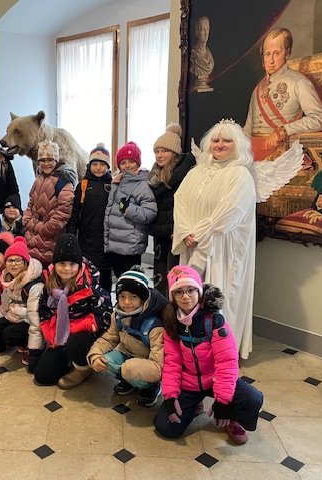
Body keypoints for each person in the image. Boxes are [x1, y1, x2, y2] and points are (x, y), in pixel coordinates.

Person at [172, 120, 256, 359]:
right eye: (215, 140)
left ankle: (221, 353)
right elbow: (180, 201)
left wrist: (198, 234)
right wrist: (185, 231)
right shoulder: (196, 172)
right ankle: (192, 348)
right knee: (189, 295)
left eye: (227, 140)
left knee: (217, 296)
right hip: (192, 243)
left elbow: (229, 212)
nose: (220, 144)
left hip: (221, 248)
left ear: (238, 145)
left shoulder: (240, 175)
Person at [154, 266, 263, 444]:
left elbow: (227, 362)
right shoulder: (171, 321)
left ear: (199, 291)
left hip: (214, 379)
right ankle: (193, 405)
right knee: (166, 427)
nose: (185, 296)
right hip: (189, 382)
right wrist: (170, 395)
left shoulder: (214, 320)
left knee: (252, 399)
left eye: (191, 290)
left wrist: (223, 401)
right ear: (172, 296)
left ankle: (233, 418)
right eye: (179, 292)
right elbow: (172, 363)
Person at [28, 234, 113, 389]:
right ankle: (67, 359)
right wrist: (52, 333)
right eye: (62, 263)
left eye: (72, 264)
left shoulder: (90, 286)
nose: (67, 268)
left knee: (76, 343)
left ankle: (83, 368)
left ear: (79, 265)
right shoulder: (49, 285)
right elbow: (44, 311)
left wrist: (73, 328)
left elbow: (105, 317)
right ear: (55, 264)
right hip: (60, 334)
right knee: (42, 376)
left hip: (85, 334)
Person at [87, 266, 168, 407]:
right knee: (104, 363)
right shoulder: (118, 315)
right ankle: (128, 381)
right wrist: (95, 355)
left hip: (147, 362)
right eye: (122, 296)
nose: (126, 302)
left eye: (133, 297)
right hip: (126, 353)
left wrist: (128, 369)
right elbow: (109, 338)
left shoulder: (154, 325)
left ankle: (151, 387)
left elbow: (159, 366)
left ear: (142, 299)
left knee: (131, 370)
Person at [244, 27, 322, 161]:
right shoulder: (257, 89)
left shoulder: (299, 82)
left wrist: (284, 130)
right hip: (252, 153)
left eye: (276, 53)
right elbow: (248, 130)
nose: (271, 60)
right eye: (267, 54)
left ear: (287, 53)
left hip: (281, 153)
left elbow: (319, 119)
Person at [148, 124, 195, 297]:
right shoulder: (155, 175)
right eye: (157, 151)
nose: (160, 155)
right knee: (160, 275)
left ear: (174, 152)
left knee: (175, 275)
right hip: (160, 231)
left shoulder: (185, 175)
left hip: (176, 232)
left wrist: (180, 229)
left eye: (164, 151)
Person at [0, 236, 44, 366]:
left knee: (10, 334)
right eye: (10, 260)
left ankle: (27, 346)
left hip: (28, 320)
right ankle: (8, 341)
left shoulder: (34, 285)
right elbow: (4, 306)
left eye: (18, 260)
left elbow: (35, 321)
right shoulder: (8, 278)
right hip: (14, 316)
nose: (13, 264)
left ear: (25, 262)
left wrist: (35, 352)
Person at [103, 141, 157, 278]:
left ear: (138, 163)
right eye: (123, 162)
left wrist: (129, 209)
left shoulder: (143, 185)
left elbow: (150, 212)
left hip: (130, 245)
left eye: (131, 161)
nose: (127, 165)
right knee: (119, 278)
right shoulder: (116, 182)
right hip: (115, 244)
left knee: (130, 280)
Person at [67, 143, 113, 293]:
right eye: (95, 164)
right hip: (85, 240)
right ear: (89, 166)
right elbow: (75, 213)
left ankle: (105, 301)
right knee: (86, 274)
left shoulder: (113, 185)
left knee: (105, 275)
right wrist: (71, 234)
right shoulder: (83, 186)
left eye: (102, 164)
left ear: (108, 167)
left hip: (106, 240)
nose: (98, 168)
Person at [22, 139, 75, 267]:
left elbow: (63, 214)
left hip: (50, 240)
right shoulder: (39, 178)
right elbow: (31, 204)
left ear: (56, 160)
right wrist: (27, 221)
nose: (46, 164)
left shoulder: (64, 182)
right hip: (32, 238)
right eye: (42, 160)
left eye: (50, 160)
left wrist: (43, 229)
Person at [190, 16, 214, 92]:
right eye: (203, 29)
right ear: (197, 31)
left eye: (207, 29)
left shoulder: (210, 55)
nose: (206, 33)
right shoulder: (193, 54)